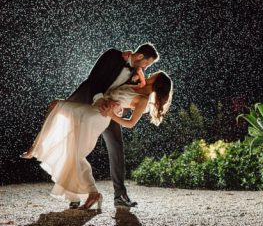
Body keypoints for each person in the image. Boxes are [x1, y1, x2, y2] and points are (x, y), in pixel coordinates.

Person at [21, 44, 164, 209]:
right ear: (139, 56)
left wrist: (118, 108)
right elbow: (94, 78)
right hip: (87, 99)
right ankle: (73, 193)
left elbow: (131, 97)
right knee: (69, 139)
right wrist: (100, 99)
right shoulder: (113, 55)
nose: (146, 68)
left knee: (115, 148)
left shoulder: (137, 74)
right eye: (147, 64)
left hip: (107, 112)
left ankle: (120, 195)